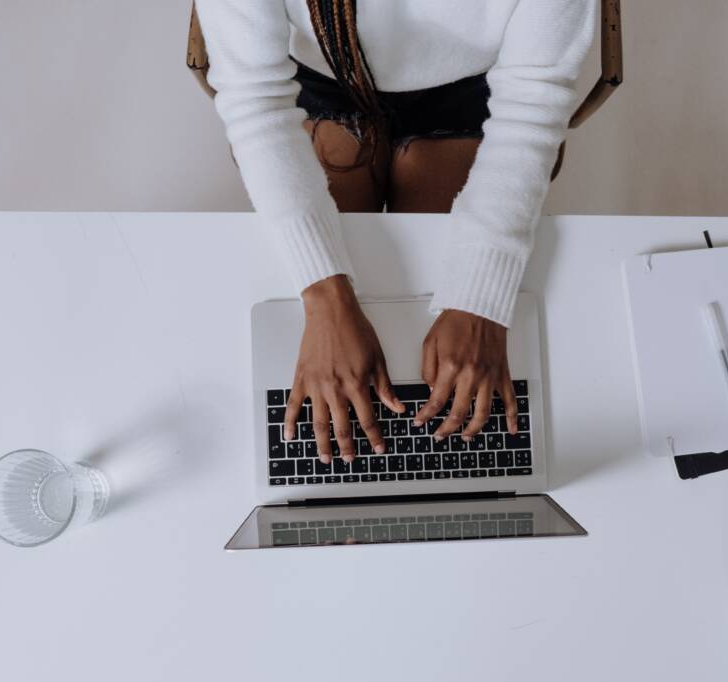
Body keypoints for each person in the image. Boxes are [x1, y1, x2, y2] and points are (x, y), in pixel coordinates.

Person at [197, 0, 596, 465]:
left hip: (475, 84)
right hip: (324, 73)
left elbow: (534, 98)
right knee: (327, 381)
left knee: (438, 384)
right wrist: (324, 297)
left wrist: (479, 301)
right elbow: (255, 98)